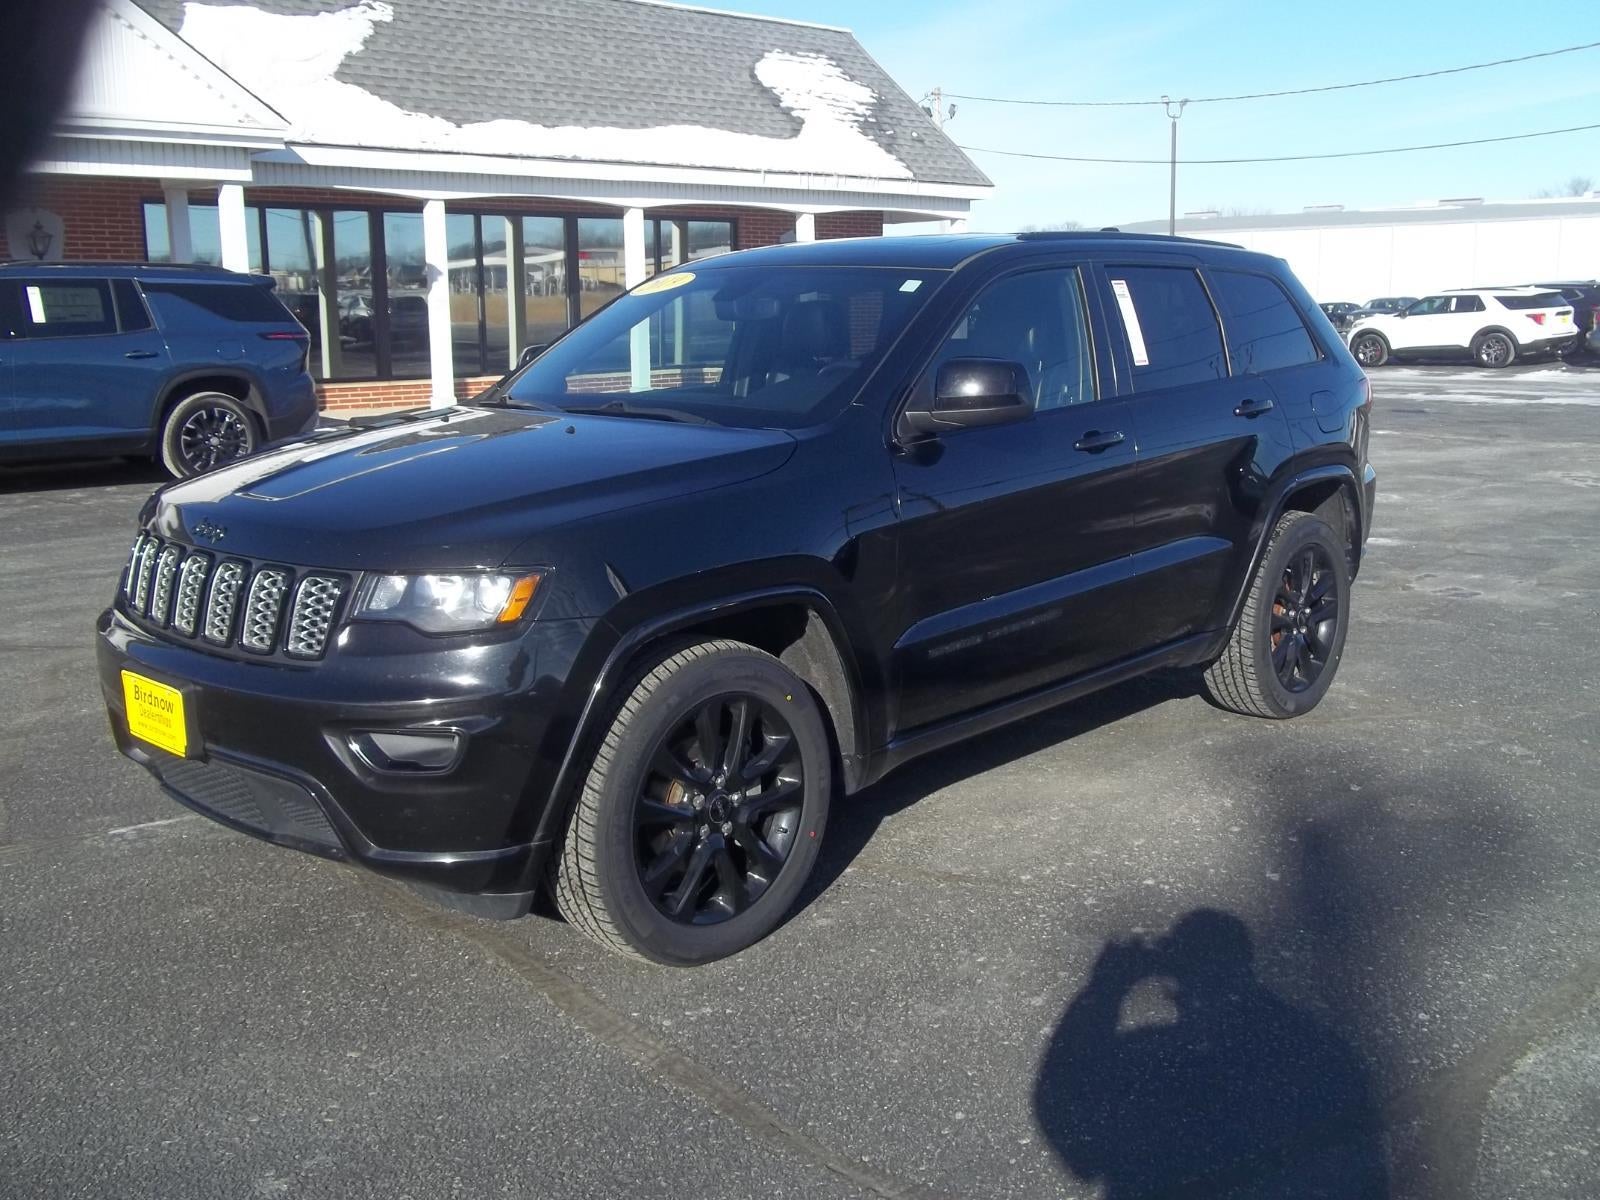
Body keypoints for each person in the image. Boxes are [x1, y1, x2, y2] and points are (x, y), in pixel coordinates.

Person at [1035, 909, 1389, 1199]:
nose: (1205, 997)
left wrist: (1104, 991)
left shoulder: (1150, 1064)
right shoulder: (1313, 1056)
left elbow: (1068, 1117)